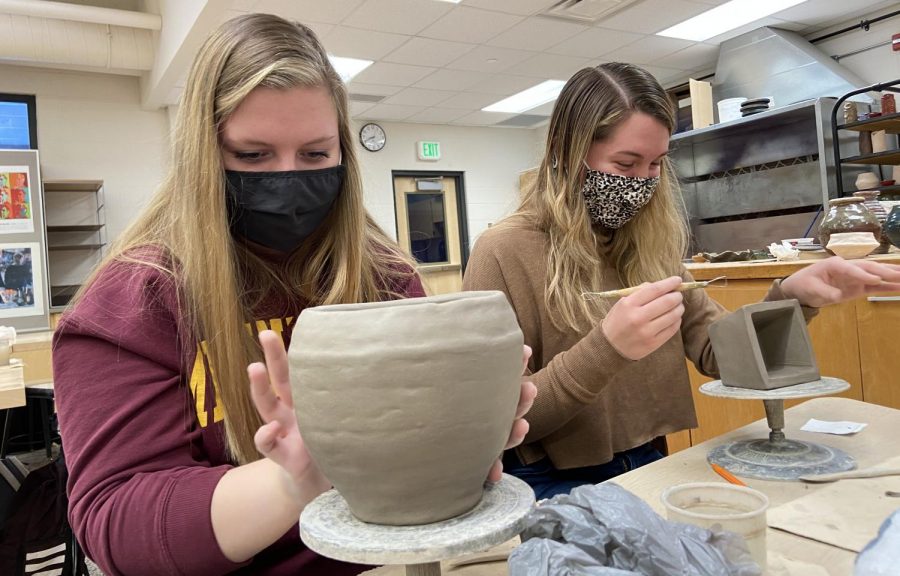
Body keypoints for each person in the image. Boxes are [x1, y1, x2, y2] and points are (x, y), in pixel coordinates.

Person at [52, 14, 536, 576]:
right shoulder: (132, 304)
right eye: (252, 157)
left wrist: (465, 431)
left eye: (314, 155)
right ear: (202, 159)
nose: (287, 178)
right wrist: (297, 477)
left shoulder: (382, 275)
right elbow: (117, 524)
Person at [462, 63, 900, 500]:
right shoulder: (502, 251)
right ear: (566, 150)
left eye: (655, 165)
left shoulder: (649, 243)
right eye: (625, 163)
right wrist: (607, 348)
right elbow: (489, 422)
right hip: (553, 484)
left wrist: (793, 297)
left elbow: (721, 356)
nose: (640, 183)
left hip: (653, 460)